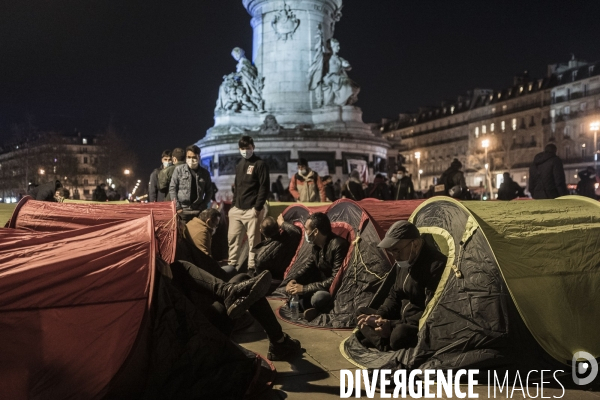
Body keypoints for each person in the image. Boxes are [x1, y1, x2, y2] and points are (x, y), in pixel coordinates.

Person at [170, 260, 301, 360]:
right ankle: (279, 342)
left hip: (199, 324)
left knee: (242, 282)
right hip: (193, 341)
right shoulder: (166, 277)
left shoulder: (168, 270)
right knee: (244, 284)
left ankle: (228, 292)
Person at [356, 221, 446, 352]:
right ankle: (382, 338)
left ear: (415, 244)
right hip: (399, 318)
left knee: (399, 335)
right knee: (361, 313)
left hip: (418, 325)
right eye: (391, 251)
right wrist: (380, 317)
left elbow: (431, 313)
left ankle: (383, 341)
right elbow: (394, 295)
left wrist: (392, 325)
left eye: (397, 250)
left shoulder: (436, 266)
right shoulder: (403, 263)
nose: (395, 256)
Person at [285, 212, 350, 321]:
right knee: (294, 293)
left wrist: (305, 289)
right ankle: (311, 309)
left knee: (318, 298)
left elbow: (335, 280)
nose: (305, 232)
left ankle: (316, 309)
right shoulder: (316, 246)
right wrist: (293, 280)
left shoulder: (338, 245)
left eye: (306, 229)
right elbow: (308, 267)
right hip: (319, 284)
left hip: (333, 291)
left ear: (315, 232)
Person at [228, 136, 270, 273]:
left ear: (253, 147)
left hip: (252, 210)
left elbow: (264, 186)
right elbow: (237, 187)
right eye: (243, 149)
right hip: (237, 210)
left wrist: (257, 208)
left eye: (248, 148)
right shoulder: (239, 164)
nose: (245, 151)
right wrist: (233, 206)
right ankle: (232, 266)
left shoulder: (260, 164)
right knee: (233, 239)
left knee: (254, 242)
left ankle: (252, 269)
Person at [169, 145, 213, 223]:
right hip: (183, 211)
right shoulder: (179, 170)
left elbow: (209, 191)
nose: (191, 160)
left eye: (194, 157)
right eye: (188, 157)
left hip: (198, 211)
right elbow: (172, 188)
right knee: (182, 234)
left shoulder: (205, 173)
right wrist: (178, 207)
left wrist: (202, 206)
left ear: (199, 157)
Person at [252, 214, 302, 281]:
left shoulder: (259, 256)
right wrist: (282, 223)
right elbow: (296, 231)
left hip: (273, 283)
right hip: (291, 275)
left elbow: (260, 279)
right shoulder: (289, 238)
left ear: (261, 231)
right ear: (278, 227)